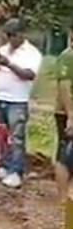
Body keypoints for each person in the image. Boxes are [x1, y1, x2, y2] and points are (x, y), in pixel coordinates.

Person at [0, 18, 42, 189]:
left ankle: (16, 171)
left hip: (17, 100)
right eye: (7, 35)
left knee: (16, 138)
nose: (10, 38)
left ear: (21, 34)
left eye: (13, 35)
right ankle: (2, 166)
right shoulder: (3, 50)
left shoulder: (31, 53)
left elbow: (29, 74)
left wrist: (9, 64)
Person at [53, 25, 73, 205]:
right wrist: (71, 115)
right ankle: (62, 198)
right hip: (66, 113)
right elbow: (64, 88)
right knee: (65, 156)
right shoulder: (68, 56)